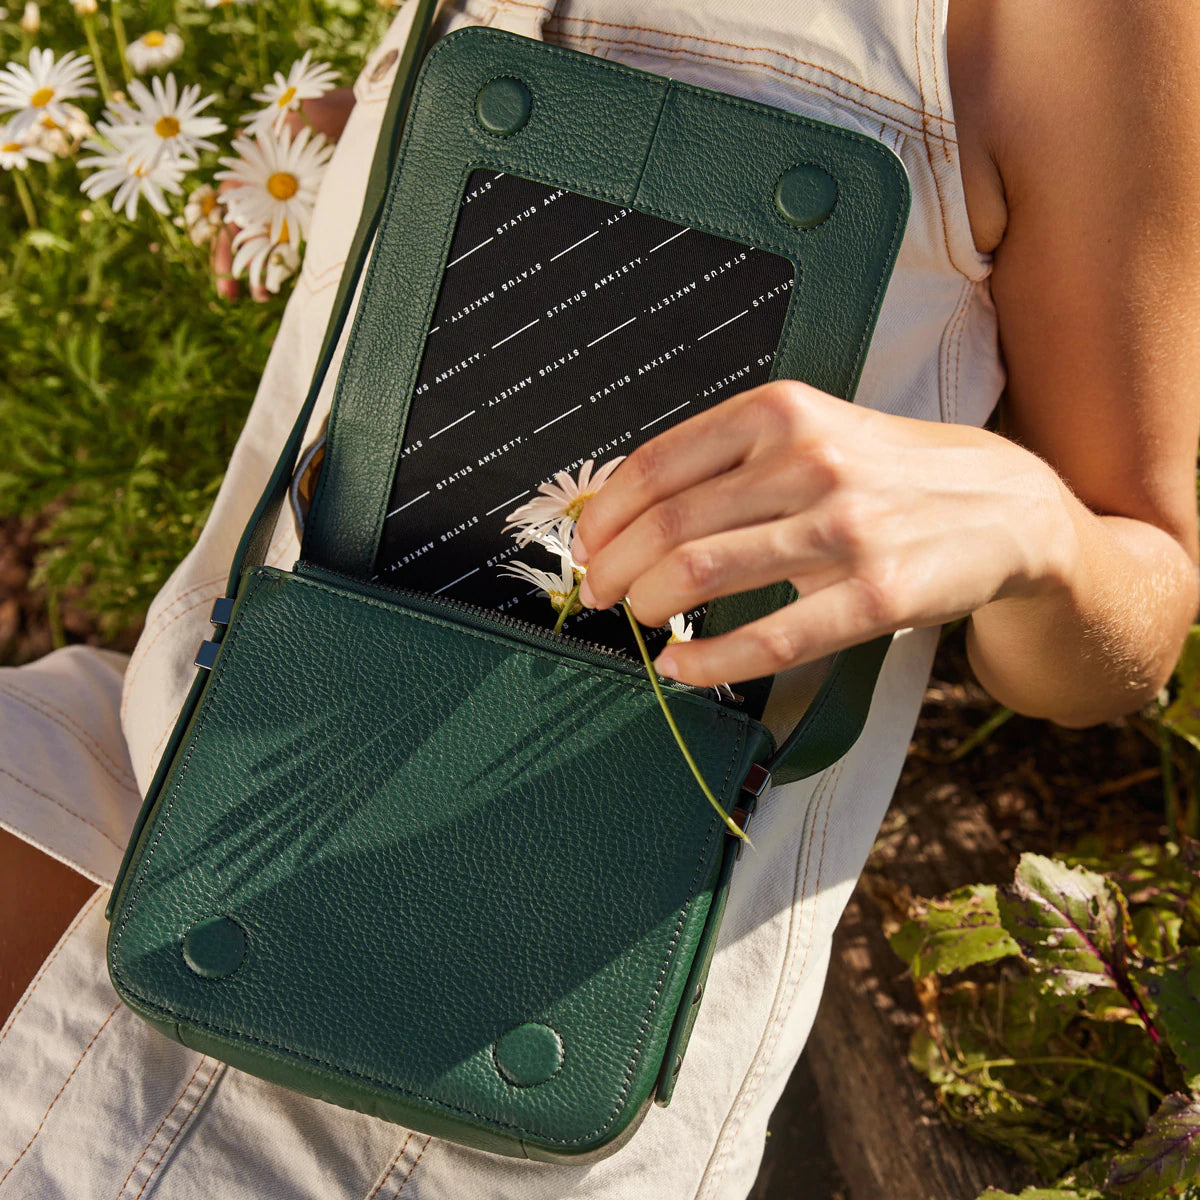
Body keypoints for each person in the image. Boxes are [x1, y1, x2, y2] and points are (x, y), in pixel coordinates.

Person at [2, 1, 1198, 1196]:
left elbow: (1128, 608)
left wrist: (1036, 531)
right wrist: (379, 150)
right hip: (155, 779)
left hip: (474, 1041)